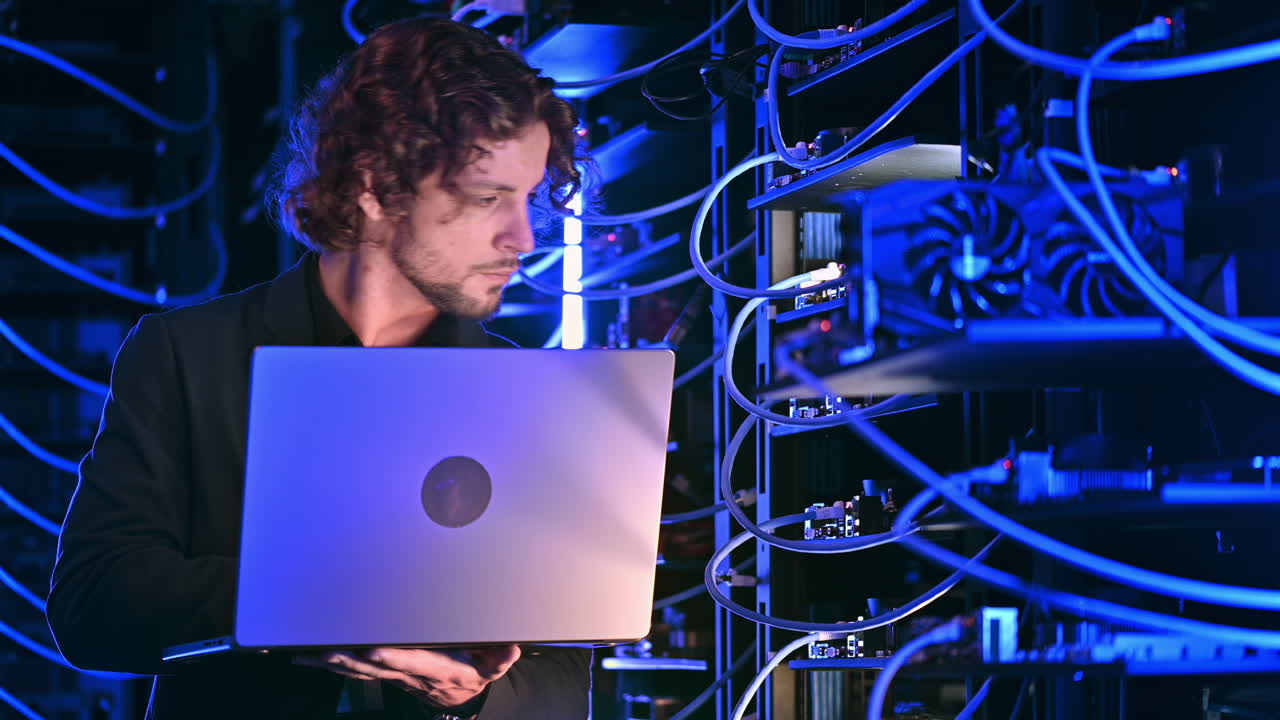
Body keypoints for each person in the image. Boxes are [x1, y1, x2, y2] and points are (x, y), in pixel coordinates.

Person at [46, 16, 591, 720]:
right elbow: (93, 602)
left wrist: (472, 698)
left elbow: (564, 673)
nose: (522, 236)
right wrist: (317, 605)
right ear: (374, 186)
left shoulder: (530, 395)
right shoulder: (187, 353)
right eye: (487, 198)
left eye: (527, 197)